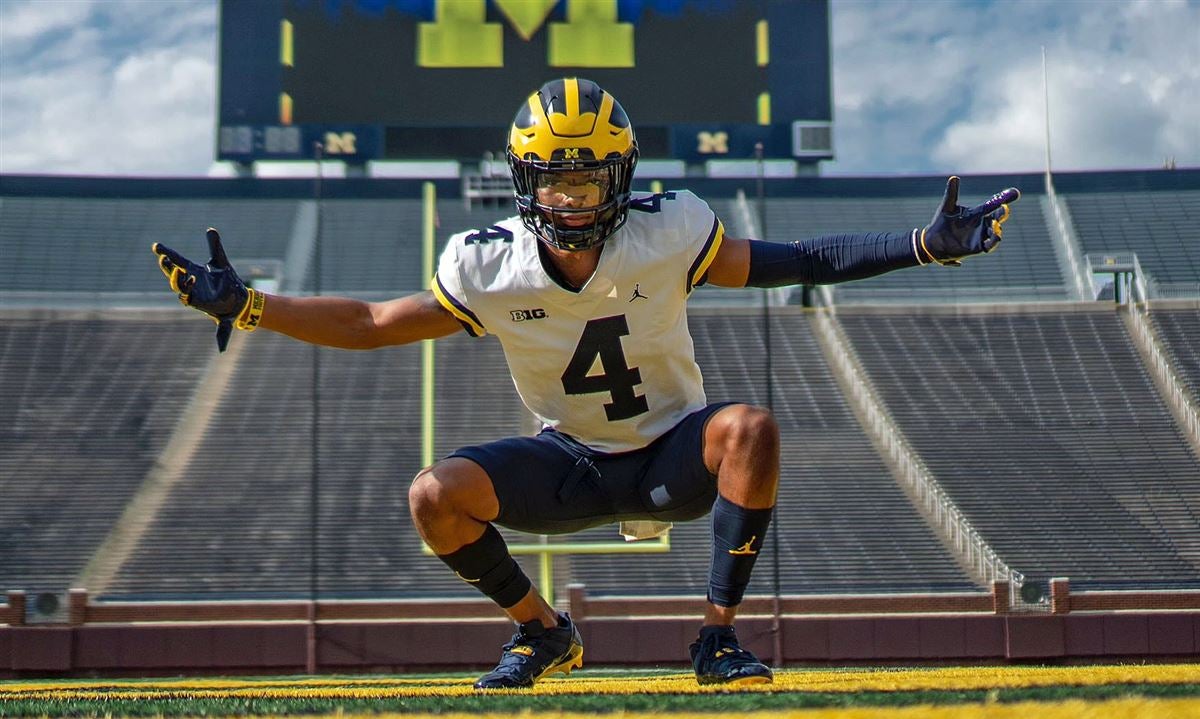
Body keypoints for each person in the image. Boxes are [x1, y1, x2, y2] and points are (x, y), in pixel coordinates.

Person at [152, 78, 1018, 689]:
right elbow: (373, 324)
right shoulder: (488, 264)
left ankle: (716, 639)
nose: (570, 201)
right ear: (524, 181)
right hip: (568, 459)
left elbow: (796, 260)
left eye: (588, 179)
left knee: (750, 427)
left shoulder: (671, 230)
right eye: (555, 181)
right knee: (434, 495)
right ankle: (542, 631)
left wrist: (921, 243)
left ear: (622, 177)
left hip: (673, 455)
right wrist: (256, 304)